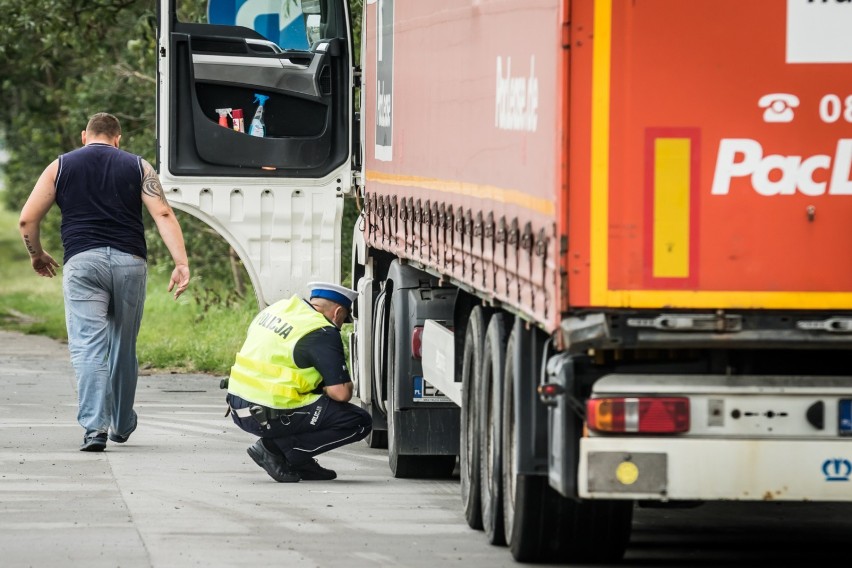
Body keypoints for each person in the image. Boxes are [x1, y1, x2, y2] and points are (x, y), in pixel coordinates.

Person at [18, 112, 190, 452]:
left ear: (85, 136)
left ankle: (95, 428)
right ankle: (122, 424)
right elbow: (164, 214)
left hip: (82, 263)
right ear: (118, 138)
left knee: (88, 346)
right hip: (130, 263)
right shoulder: (139, 167)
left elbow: (27, 218)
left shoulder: (61, 166)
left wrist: (36, 254)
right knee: (123, 346)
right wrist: (181, 262)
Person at [226, 282, 372, 482]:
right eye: (342, 320)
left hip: (238, 406)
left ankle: (300, 462)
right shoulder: (321, 331)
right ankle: (276, 450)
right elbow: (341, 393)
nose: (339, 325)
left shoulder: (277, 310)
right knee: (359, 422)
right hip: (267, 413)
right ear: (338, 313)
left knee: (317, 397)